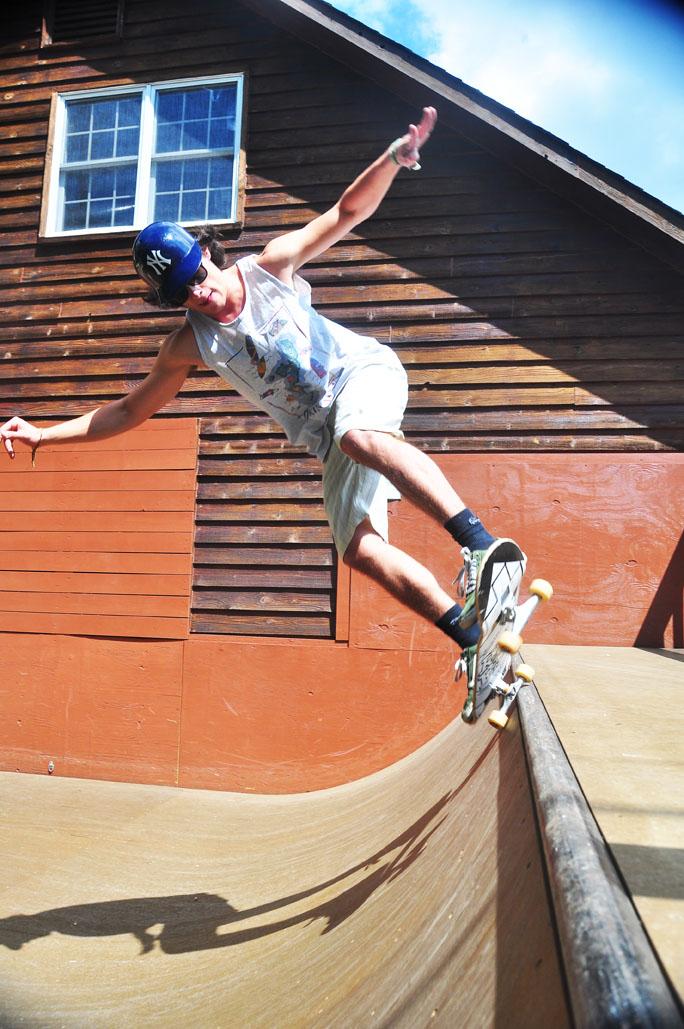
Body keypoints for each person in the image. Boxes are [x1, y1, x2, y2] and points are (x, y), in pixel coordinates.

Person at [1, 107, 509, 705]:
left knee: (357, 435)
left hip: (363, 374)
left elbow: (347, 213)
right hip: (330, 432)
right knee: (359, 550)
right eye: (185, 292)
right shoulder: (188, 344)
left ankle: (483, 548)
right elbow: (128, 412)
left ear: (208, 254)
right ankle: (472, 636)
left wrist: (394, 158)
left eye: (200, 275)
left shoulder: (270, 267)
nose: (202, 293)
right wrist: (43, 435)